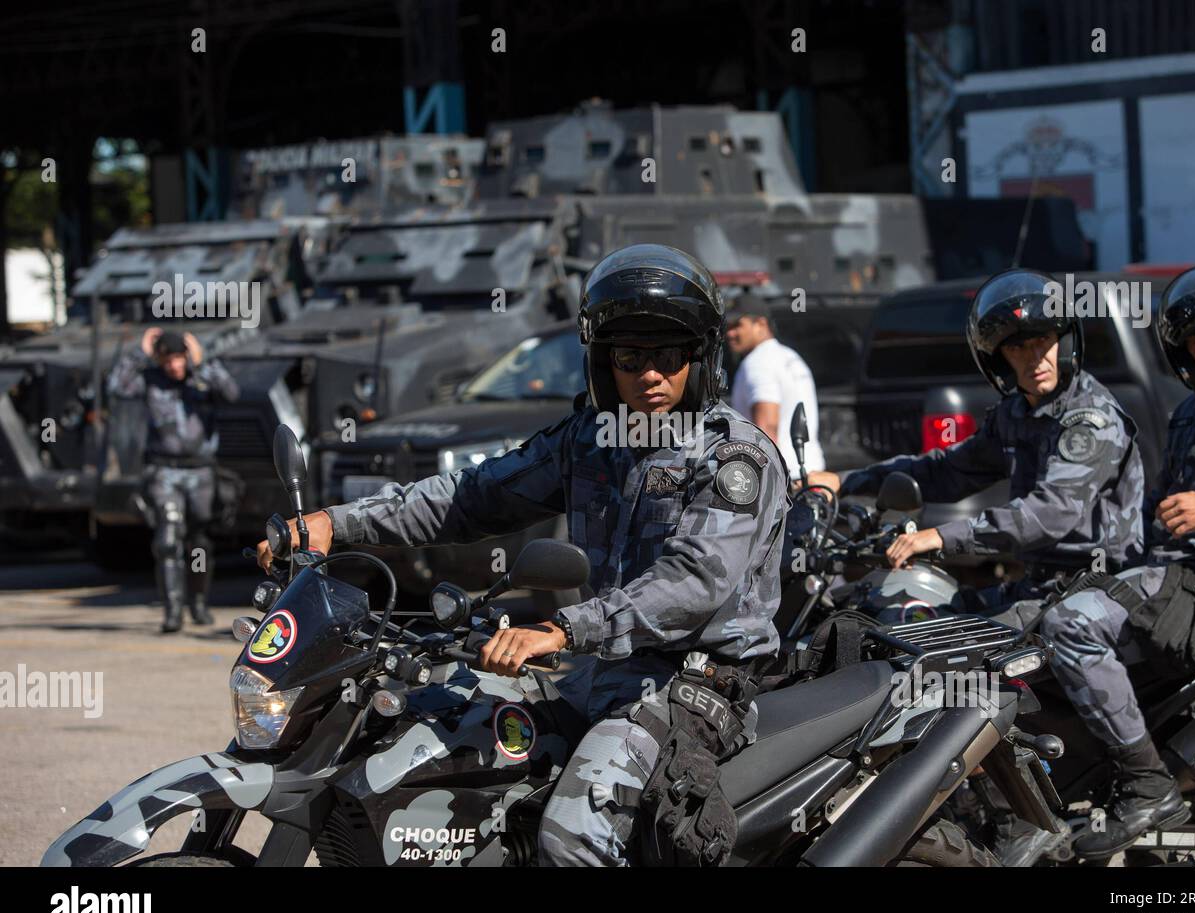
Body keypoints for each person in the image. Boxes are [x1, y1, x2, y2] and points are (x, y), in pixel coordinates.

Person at [257, 244, 788, 866]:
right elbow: (470, 497)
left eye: (669, 355)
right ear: (602, 364)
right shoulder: (589, 441)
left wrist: (562, 628)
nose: (651, 373)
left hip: (693, 685)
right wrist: (334, 524)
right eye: (630, 355)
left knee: (571, 837)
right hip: (597, 673)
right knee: (441, 755)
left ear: (698, 359)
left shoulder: (733, 458)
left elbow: (692, 584)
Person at [1036, 263, 1195, 860]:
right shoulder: (1190, 414)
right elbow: (1161, 510)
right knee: (1034, 621)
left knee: (1071, 626)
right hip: (1181, 577)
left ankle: (1148, 785)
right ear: (1186, 358)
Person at [806, 268, 1144, 619]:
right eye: (1018, 347)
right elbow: (948, 471)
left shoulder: (1090, 418)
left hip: (1097, 591)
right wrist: (844, 481)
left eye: (1043, 340)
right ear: (999, 360)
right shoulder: (1016, 414)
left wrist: (940, 536)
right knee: (904, 616)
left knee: (969, 655)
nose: (1034, 357)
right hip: (1039, 585)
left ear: (1065, 342)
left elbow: (1050, 513)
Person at [108, 327, 240, 632]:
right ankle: (172, 610)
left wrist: (202, 359)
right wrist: (137, 353)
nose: (174, 366)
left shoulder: (203, 378)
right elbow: (116, 386)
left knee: (198, 541)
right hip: (164, 471)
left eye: (179, 359)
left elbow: (232, 393)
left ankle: (198, 602)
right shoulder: (149, 380)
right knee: (168, 540)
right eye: (167, 360)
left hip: (201, 472)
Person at [726, 292, 825, 473]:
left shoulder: (758, 362)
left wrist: (762, 482)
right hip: (811, 469)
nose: (730, 333)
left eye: (737, 325)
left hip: (784, 480)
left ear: (761, 324)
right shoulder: (790, 356)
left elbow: (767, 428)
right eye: (728, 326)